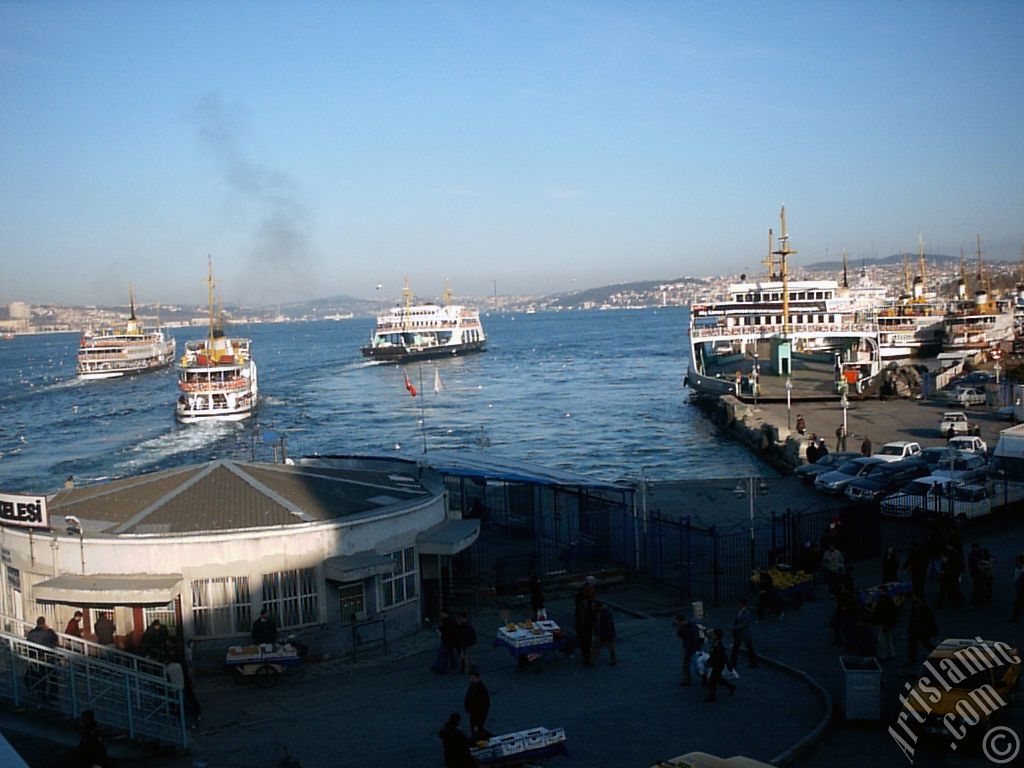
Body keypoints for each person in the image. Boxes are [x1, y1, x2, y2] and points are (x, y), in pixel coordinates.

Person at [26, 616, 59, 701]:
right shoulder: (48, 632)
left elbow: (28, 644)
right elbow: (55, 640)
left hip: (35, 658)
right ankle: (53, 695)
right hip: (48, 657)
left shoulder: (31, 633)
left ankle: (41, 694)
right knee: (52, 677)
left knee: (40, 677)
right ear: (44, 623)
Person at [905, 594, 938, 667]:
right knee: (914, 646)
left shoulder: (925, 608)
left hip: (922, 631)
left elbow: (930, 620)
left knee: (926, 644)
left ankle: (937, 655)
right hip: (916, 630)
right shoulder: (917, 606)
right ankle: (912, 660)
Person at [704, 628, 735, 702]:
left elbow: (722, 656)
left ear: (716, 636)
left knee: (712, 681)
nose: (712, 635)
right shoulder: (716, 643)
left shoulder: (718, 645)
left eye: (713, 634)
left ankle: (712, 697)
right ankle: (731, 687)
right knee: (719, 680)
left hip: (718, 665)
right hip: (717, 665)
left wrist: (710, 661)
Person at [729, 597, 757, 670]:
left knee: (748, 648)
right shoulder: (742, 611)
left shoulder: (746, 613)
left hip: (744, 633)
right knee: (737, 648)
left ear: (741, 604)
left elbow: (744, 624)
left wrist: (734, 628)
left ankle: (753, 662)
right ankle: (733, 663)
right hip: (741, 633)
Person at [574, 577, 596, 667]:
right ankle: (588, 659)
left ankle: (586, 658)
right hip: (585, 623)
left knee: (584, 641)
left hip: (582, 623)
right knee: (586, 641)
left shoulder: (582, 594)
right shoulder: (586, 596)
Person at [463, 669, 491, 740]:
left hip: (478, 713)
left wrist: (477, 723)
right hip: (474, 711)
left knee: (476, 728)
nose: (471, 680)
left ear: (478, 678)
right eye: (470, 678)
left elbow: (482, 706)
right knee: (476, 728)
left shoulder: (480, 688)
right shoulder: (473, 686)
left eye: (473, 678)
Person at [675, 613, 701, 686]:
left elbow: (695, 639)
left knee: (690, 665)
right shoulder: (684, 626)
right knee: (688, 665)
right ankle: (687, 681)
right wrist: (679, 630)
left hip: (692, 649)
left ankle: (687, 681)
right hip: (689, 648)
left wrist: (694, 649)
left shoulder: (691, 627)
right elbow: (682, 636)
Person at [432, 609, 460, 674]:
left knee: (443, 654)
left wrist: (440, 629)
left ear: (446, 614)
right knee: (450, 653)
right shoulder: (447, 620)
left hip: (447, 639)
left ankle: (442, 668)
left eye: (442, 614)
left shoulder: (448, 621)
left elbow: (448, 631)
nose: (441, 615)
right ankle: (453, 665)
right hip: (449, 639)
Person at [874, 586, 899, 661]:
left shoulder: (884, 600)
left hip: (884, 622)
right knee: (888, 638)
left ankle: (884, 655)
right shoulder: (888, 599)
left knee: (882, 639)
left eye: (880, 591)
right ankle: (892, 653)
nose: (879, 593)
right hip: (888, 622)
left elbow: (883, 612)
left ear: (884, 591)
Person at [591, 600, 617, 666]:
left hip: (603, 634)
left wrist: (597, 635)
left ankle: (592, 662)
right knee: (611, 648)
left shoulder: (599, 615)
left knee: (595, 648)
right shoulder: (608, 612)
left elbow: (598, 626)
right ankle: (614, 661)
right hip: (610, 633)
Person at [1011, 554, 1024, 622]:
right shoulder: (1018, 569)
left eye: (1016, 562)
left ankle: (1015, 618)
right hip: (1020, 589)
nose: (1015, 563)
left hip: (1021, 590)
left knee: (1017, 604)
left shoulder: (1022, 571)